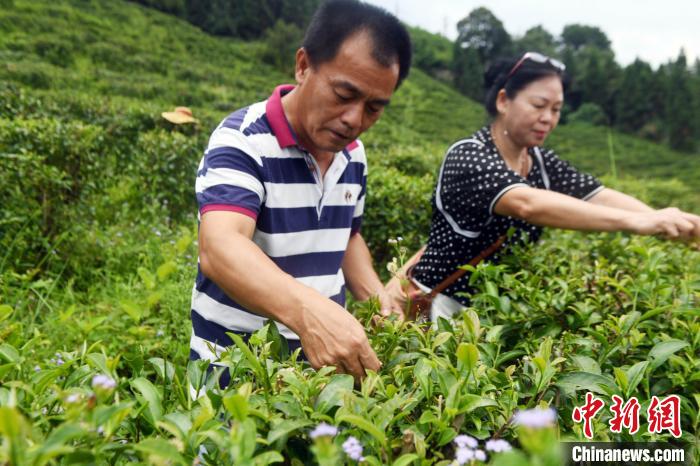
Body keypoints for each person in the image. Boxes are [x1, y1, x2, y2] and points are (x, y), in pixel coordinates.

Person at [190, 0, 412, 384]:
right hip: (237, 371)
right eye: (344, 94)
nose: (354, 120)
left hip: (321, 376)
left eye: (374, 108)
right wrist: (309, 311)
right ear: (304, 65)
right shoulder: (244, 141)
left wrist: (378, 301)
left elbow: (346, 237)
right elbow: (220, 246)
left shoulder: (354, 156)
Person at [386, 52, 700, 322]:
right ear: (503, 101)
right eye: (539, 105)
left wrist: (673, 222)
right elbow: (527, 204)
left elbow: (598, 196)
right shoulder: (468, 155)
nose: (548, 118)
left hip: (494, 309)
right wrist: (641, 223)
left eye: (556, 109)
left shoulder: (539, 160)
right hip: (435, 306)